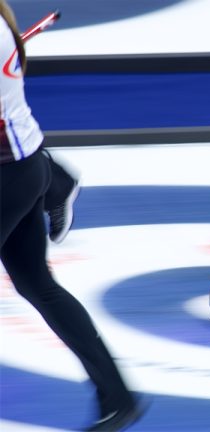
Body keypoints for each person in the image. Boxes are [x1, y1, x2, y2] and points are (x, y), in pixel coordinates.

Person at [0, 2, 145, 430]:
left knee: (40, 287)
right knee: (39, 286)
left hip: (8, 176)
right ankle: (118, 398)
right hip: (24, 170)